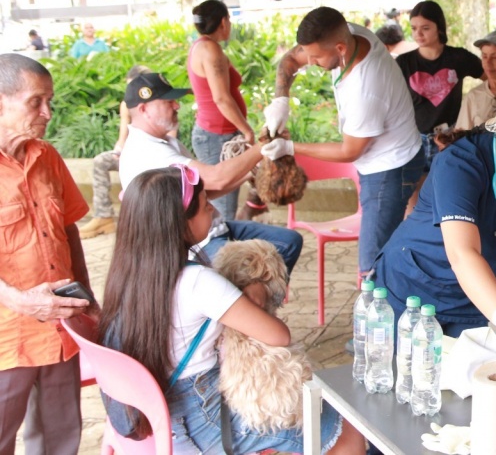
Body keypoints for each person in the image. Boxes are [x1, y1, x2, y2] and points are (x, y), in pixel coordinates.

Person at [98, 166, 365, 454]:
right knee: (346, 428)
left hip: (158, 414)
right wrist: (258, 292)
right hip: (203, 419)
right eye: (203, 206)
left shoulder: (126, 274)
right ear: (179, 224)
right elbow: (278, 335)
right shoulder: (197, 281)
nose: (212, 210)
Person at [372, 70, 496, 374]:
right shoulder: (460, 164)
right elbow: (463, 254)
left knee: (487, 390)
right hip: (416, 289)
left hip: (486, 294)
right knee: (413, 384)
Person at [262, 7, 422, 279]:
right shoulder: (349, 34)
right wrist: (281, 99)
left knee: (371, 268)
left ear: (339, 47)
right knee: (390, 253)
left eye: (316, 57)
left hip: (389, 169)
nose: (309, 62)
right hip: (388, 157)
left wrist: (291, 147)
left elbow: (350, 150)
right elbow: (291, 59)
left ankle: (376, 315)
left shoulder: (367, 86)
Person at [0, 54, 93, 455]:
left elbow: (68, 228)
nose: (47, 113)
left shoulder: (47, 156)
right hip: (7, 337)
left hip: (60, 327)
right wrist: (18, 300)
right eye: (36, 102)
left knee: (59, 441)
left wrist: (88, 298)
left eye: (50, 101)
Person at [118, 72, 303, 274]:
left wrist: (249, 175)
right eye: (168, 102)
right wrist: (263, 147)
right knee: (252, 270)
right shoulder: (148, 151)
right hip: (197, 245)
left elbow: (202, 189)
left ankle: (258, 300)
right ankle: (242, 301)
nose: (177, 106)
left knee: (289, 241)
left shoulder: (165, 141)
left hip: (215, 231)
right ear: (144, 109)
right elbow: (216, 178)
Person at [188, 0, 261, 222]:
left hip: (215, 132)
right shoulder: (210, 49)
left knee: (223, 203)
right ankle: (221, 254)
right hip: (217, 136)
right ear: (223, 21)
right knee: (223, 208)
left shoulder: (201, 46)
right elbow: (220, 98)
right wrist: (246, 131)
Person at [396, 0, 483, 173]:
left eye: (425, 28)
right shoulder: (403, 62)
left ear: (439, 27)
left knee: (447, 189)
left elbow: (492, 78)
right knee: (416, 195)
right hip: (414, 140)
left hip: (451, 138)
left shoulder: (459, 57)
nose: (418, 34)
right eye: (414, 28)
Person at [80, 64, 152, 239]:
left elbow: (170, 137)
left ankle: (145, 222)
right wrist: (118, 151)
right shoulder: (127, 104)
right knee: (101, 161)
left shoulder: (158, 103)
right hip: (130, 155)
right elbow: (123, 136)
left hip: (151, 156)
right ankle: (103, 217)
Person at [454, 30, 496, 130]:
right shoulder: (473, 97)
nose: (488, 62)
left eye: (494, 57)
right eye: (484, 56)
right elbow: (461, 137)